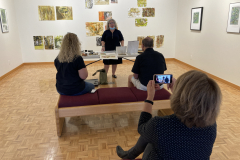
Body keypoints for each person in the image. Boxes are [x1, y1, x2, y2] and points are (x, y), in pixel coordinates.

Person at [117, 70, 222, 160]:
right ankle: (129, 155)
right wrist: (178, 91)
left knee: (151, 137)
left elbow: (142, 127)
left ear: (180, 96)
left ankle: (129, 155)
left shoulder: (160, 125)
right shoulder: (212, 126)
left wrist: (149, 97)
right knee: (153, 133)